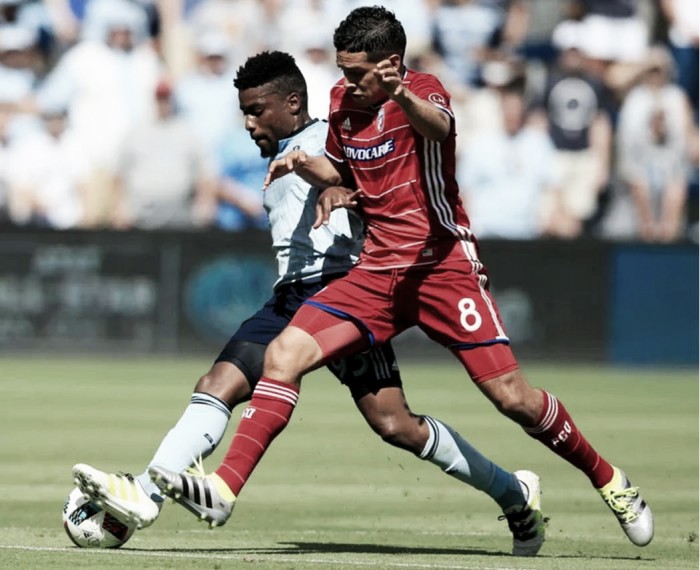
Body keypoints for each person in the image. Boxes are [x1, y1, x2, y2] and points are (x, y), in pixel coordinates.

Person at [148, 6, 654, 550]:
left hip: (441, 266)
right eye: (343, 71)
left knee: (513, 399)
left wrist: (400, 95)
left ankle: (610, 481)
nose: (347, 84)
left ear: (391, 66)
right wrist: (318, 176)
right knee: (283, 356)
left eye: (359, 73)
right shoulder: (344, 102)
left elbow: (439, 127)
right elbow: (343, 170)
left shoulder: (424, 92)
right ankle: (223, 488)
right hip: (377, 271)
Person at [73, 50, 547, 557]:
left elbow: (378, 186)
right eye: (244, 113)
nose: (249, 123)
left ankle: (512, 493)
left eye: (257, 110)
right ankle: (144, 494)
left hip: (345, 291)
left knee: (396, 425)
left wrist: (344, 191)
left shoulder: (327, 138)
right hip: (291, 295)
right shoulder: (282, 154)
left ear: (293, 102)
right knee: (219, 384)